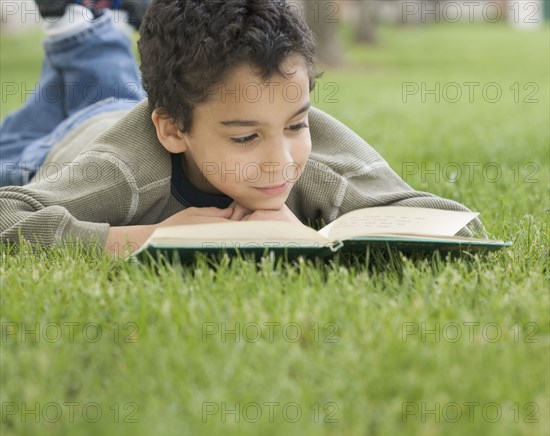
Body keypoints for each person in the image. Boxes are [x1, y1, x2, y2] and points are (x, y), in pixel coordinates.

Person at [0, 0, 483, 256]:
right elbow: (8, 216)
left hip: (162, 104)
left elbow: (460, 225)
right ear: (171, 131)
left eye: (296, 124)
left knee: (119, 83)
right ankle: (85, 24)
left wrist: (318, 238)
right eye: (245, 138)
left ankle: (107, 22)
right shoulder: (124, 172)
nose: (281, 160)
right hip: (63, 140)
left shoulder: (318, 160)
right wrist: (139, 238)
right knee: (89, 83)